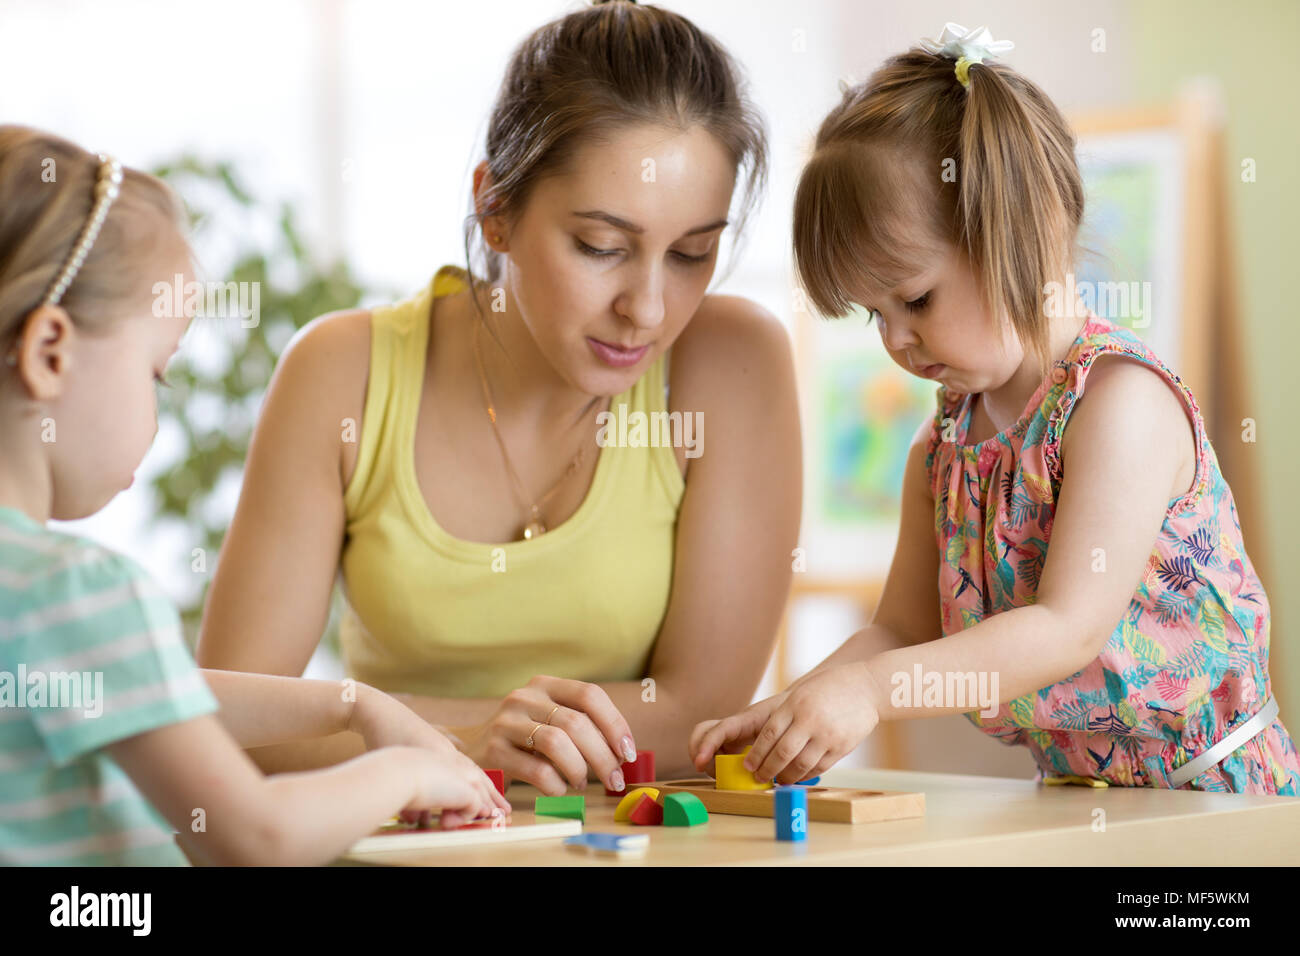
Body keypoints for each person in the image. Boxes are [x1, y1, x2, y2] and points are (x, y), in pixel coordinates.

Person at [197, 0, 801, 793]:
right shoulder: (343, 373)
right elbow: (226, 719)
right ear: (495, 209)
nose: (648, 309)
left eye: (692, 253)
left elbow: (701, 713)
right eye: (601, 247)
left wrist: (393, 725)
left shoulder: (732, 365)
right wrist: (472, 739)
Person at [693, 24, 1298, 794]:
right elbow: (900, 630)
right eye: (871, 314)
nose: (896, 341)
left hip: (1219, 803)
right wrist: (790, 708)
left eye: (914, 298)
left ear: (1027, 229)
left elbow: (1067, 628)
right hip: (1080, 805)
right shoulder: (939, 447)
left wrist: (875, 693)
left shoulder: (1119, 405)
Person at [0, 126, 510, 865]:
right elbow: (258, 836)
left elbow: (142, 686)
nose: (158, 408)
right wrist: (403, 774)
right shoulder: (76, 589)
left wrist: (356, 704)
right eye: (156, 372)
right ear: (50, 352)